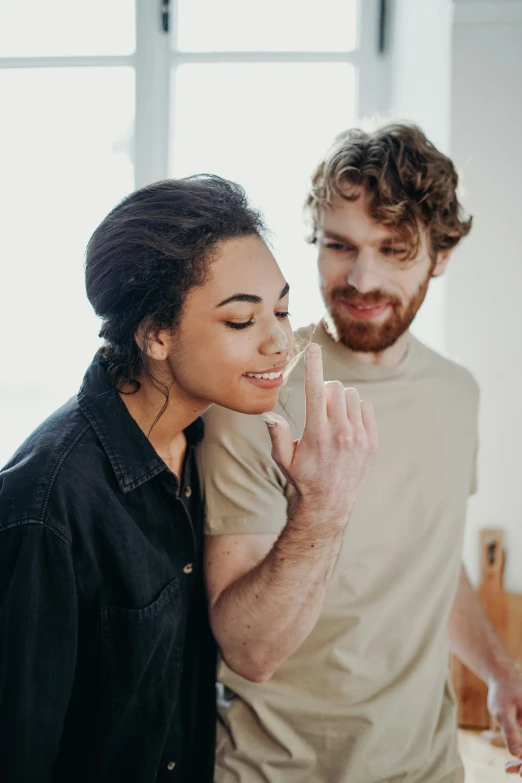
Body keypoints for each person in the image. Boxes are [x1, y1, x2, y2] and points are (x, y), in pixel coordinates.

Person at [0, 174, 377, 783]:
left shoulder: (201, 445)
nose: (280, 341)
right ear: (155, 334)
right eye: (241, 322)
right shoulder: (45, 505)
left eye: (281, 309)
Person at [199, 125, 522, 782]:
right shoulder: (256, 396)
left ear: (441, 253)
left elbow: (427, 560)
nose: (361, 276)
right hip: (273, 771)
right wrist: (322, 505)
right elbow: (249, 649)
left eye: (394, 249)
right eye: (338, 245)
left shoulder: (457, 392)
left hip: (426, 767)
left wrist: (498, 669)